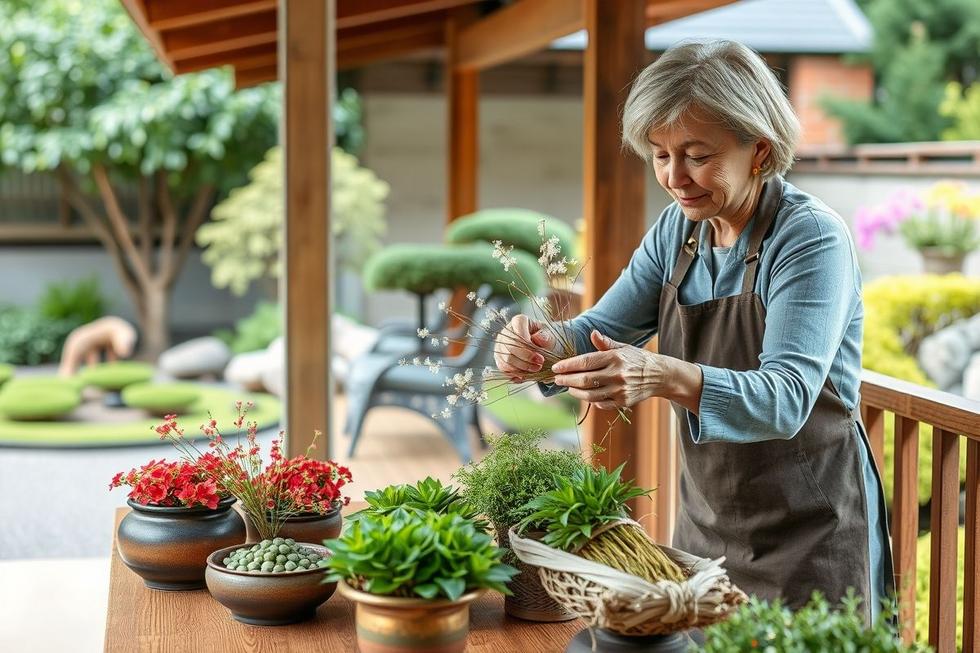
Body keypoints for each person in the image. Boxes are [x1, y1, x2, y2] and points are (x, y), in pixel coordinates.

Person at [494, 40, 893, 621]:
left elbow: (784, 398)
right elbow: (602, 329)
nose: (675, 178)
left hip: (811, 533)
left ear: (758, 149)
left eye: (697, 155)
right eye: (660, 155)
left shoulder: (810, 239)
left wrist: (659, 372)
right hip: (706, 527)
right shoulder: (677, 232)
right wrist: (541, 345)